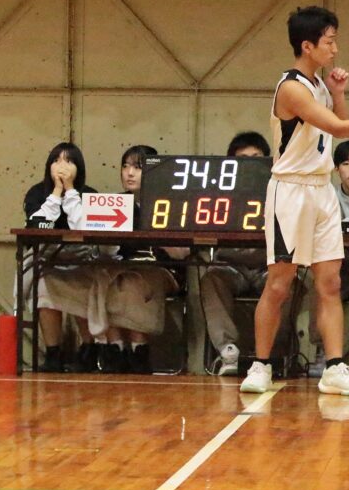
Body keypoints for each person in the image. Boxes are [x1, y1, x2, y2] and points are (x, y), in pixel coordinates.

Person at [240, 6, 349, 396]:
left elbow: (336, 124)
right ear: (308, 45)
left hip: (321, 190)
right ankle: (260, 364)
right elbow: (338, 126)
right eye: (329, 41)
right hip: (290, 190)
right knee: (280, 283)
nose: (335, 49)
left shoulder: (317, 84)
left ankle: (334, 367)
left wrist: (337, 93)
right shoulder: (291, 87)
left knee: (330, 281)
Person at [103, 144, 186, 374]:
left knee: (136, 279)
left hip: (163, 271)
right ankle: (115, 347)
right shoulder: (114, 204)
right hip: (120, 267)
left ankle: (139, 348)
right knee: (103, 277)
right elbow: (104, 249)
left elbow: (182, 253)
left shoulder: (172, 205)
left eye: (138, 167)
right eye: (125, 166)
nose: (129, 173)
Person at [199, 131, 271, 376]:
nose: (250, 165)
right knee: (211, 278)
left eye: (257, 158)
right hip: (230, 266)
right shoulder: (217, 192)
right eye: (243, 159)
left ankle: (272, 352)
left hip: (267, 267)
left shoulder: (280, 189)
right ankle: (227, 350)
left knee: (287, 281)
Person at [22, 142, 99, 372]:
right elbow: (37, 225)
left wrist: (71, 191)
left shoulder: (90, 195)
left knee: (87, 282)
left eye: (68, 161)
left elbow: (84, 228)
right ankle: (53, 353)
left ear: (79, 168)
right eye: (56, 161)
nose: (61, 166)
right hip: (47, 257)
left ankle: (89, 350)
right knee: (43, 285)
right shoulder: (36, 193)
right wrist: (56, 193)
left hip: (83, 257)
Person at [307, 139, 349, 378]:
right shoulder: (328, 196)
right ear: (336, 169)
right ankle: (323, 350)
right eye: (346, 164)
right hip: (339, 266)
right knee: (321, 283)